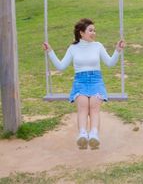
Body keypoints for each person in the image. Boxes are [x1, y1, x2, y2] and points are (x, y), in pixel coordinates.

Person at [43, 18, 125, 149]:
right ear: (81, 33)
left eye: (94, 30)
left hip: (96, 80)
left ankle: (94, 134)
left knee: (94, 107)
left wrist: (117, 50)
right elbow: (61, 66)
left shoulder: (98, 46)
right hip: (80, 82)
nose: (94, 33)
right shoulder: (73, 48)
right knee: (82, 106)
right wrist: (50, 51)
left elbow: (110, 63)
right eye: (90, 30)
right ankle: (82, 134)